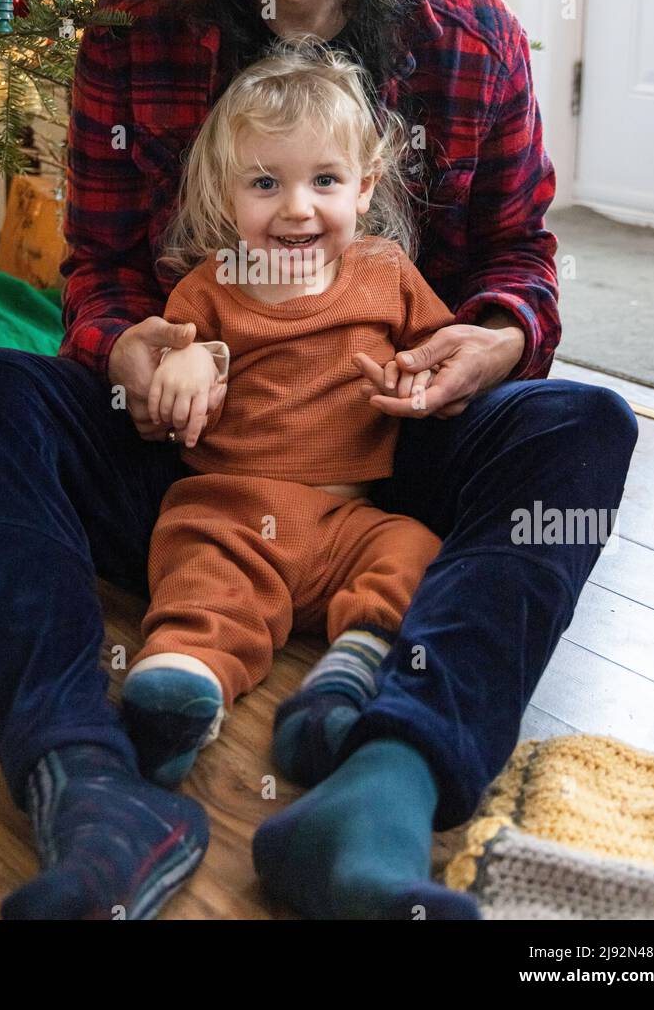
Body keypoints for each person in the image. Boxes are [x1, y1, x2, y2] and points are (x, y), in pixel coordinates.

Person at [0, 0, 638, 921]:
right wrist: (139, 348)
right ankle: (90, 781)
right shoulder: (134, 29)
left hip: (390, 456)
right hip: (189, 459)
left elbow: (521, 252)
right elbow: (99, 271)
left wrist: (491, 338)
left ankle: (386, 782)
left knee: (586, 428)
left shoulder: (473, 36)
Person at [120, 40, 456, 798]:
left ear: (365, 188)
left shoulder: (386, 275)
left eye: (325, 180)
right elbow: (183, 350)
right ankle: (185, 681)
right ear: (226, 193)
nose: (297, 208)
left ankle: (353, 665)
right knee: (203, 582)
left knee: (416, 553)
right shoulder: (212, 287)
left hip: (350, 525)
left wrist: (423, 374)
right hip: (234, 513)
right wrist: (188, 362)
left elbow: (436, 355)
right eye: (266, 183)